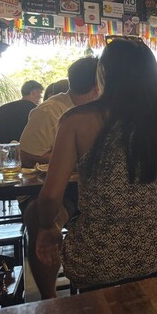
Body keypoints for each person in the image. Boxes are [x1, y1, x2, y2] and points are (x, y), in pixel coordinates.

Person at [35, 37, 157, 294]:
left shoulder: (75, 121)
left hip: (94, 255)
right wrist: (144, 226)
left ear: (103, 73)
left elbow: (50, 197)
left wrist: (48, 226)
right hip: (151, 252)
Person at [19, 57, 99, 299]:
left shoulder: (103, 109)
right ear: (99, 84)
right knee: (40, 215)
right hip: (44, 187)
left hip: (87, 186)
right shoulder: (49, 111)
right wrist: (66, 156)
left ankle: (98, 287)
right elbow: (26, 155)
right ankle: (50, 299)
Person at [20, 58, 99, 168]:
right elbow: (27, 154)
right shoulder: (49, 111)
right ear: (98, 87)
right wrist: (77, 160)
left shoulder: (98, 110)